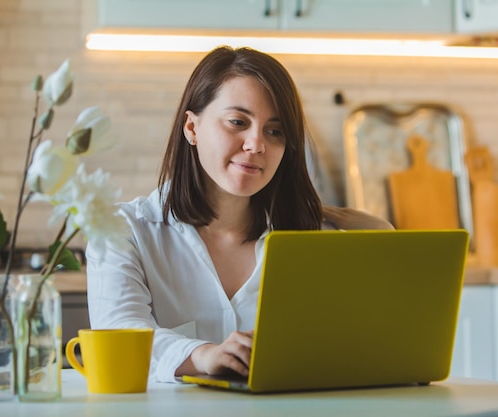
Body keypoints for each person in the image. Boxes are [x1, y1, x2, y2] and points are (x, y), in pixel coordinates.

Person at [86, 46, 393, 383]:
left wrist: (355, 223)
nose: (255, 144)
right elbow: (119, 330)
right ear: (191, 127)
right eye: (237, 122)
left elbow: (358, 344)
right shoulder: (123, 231)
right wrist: (202, 355)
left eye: (274, 131)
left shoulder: (311, 239)